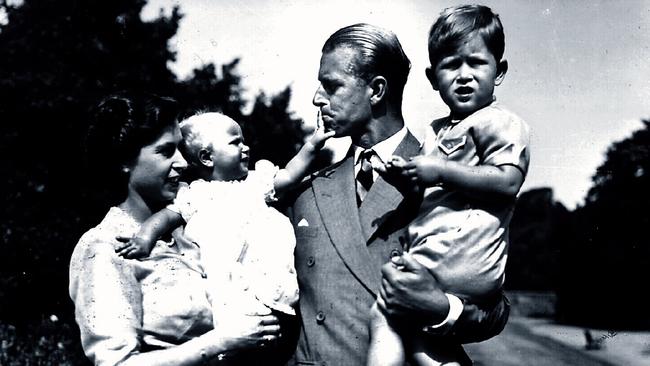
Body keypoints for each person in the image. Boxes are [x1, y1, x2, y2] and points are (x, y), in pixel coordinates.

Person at [288, 23, 511, 366]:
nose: (317, 98)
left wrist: (441, 308)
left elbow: (494, 308)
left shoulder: (453, 176)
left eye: (331, 86)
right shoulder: (306, 191)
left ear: (376, 90)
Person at [367, 5, 530, 366]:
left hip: (463, 256)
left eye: (476, 63)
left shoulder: (501, 123)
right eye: (451, 65)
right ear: (432, 77)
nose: (464, 76)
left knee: (385, 313)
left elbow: (508, 181)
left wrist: (439, 170)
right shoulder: (436, 131)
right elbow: (424, 196)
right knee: (415, 334)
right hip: (443, 256)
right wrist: (407, 179)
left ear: (499, 71)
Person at [69, 94, 282, 365]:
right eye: (166, 151)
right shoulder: (104, 246)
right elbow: (117, 363)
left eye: (182, 149)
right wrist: (222, 341)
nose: (183, 162)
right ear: (124, 160)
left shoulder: (196, 223)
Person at [115, 112, 333, 322]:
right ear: (207, 157)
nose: (245, 147)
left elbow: (289, 175)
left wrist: (313, 144)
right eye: (235, 142)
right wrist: (144, 238)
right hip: (228, 292)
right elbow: (164, 218)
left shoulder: (254, 184)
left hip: (269, 283)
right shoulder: (194, 194)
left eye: (243, 141)